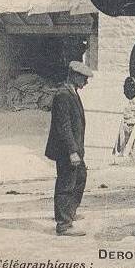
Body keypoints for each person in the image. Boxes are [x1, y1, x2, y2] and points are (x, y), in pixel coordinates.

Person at [45, 61, 93, 236]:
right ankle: (63, 224)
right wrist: (72, 151)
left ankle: (69, 213)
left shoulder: (72, 92)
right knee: (66, 184)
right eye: (84, 78)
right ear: (74, 76)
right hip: (66, 150)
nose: (86, 82)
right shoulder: (63, 95)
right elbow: (63, 126)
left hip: (74, 149)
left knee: (80, 177)